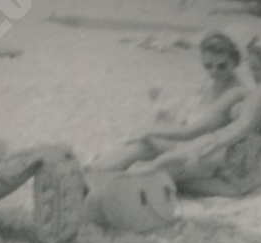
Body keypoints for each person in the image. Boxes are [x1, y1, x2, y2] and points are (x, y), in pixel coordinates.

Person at [132, 42, 261, 197]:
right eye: (251, 68)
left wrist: (215, 145)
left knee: (164, 166)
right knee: (178, 183)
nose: (253, 74)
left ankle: (124, 187)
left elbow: (243, 126)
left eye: (257, 68)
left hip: (231, 167)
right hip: (248, 180)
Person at [90, 30, 248, 173]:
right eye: (208, 65)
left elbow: (193, 131)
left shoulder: (235, 92)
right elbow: (188, 116)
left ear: (235, 62)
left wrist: (151, 131)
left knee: (146, 143)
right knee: (141, 143)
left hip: (204, 151)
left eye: (222, 66)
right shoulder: (210, 83)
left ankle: (96, 169)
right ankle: (101, 167)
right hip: (191, 143)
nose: (214, 71)